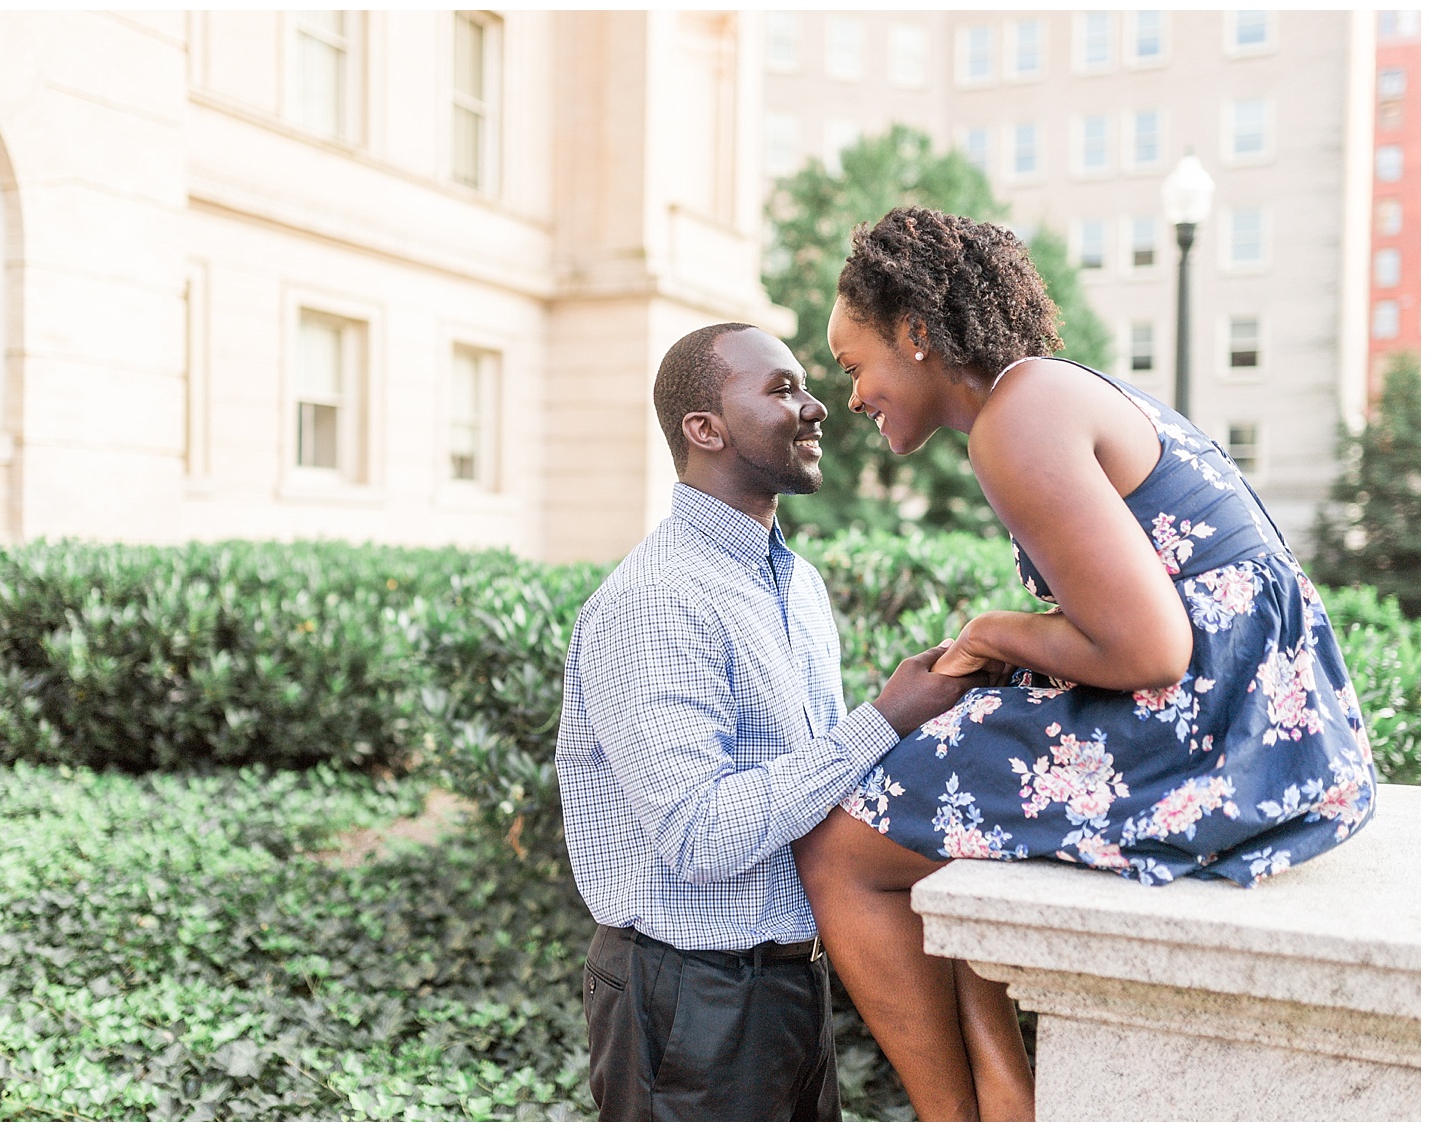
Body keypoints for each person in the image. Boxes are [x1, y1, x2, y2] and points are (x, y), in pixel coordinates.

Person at [793, 207, 1378, 1121]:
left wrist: (995, 630)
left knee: (837, 850)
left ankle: (956, 1117)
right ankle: (1004, 1099)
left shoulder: (1018, 419)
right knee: (943, 779)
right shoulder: (1045, 393)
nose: (852, 395)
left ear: (915, 336)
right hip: (1265, 708)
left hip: (1215, 725)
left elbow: (1150, 648)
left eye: (852, 364)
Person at [555, 322, 987, 1121]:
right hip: (689, 1000)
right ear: (705, 430)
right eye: (781, 389)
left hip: (794, 982)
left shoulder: (797, 585)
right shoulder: (656, 601)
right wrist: (883, 718)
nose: (818, 405)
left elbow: (814, 792)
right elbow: (700, 834)